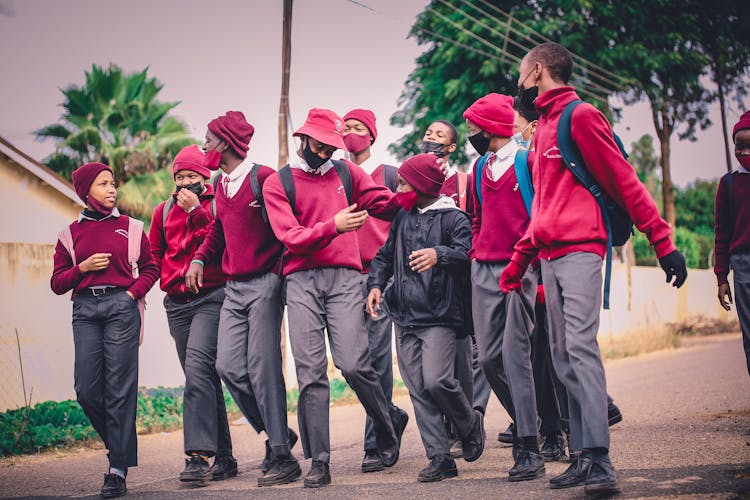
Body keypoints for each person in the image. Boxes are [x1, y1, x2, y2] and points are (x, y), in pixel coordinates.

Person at [501, 42, 687, 495]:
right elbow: (542, 210)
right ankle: (584, 456)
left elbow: (625, 181)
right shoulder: (542, 128)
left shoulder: (579, 117)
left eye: (522, 75)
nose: (519, 85)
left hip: (582, 250)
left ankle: (601, 461)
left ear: (538, 71)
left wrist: (662, 243)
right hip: (546, 256)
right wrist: (518, 262)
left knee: (580, 349)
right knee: (562, 356)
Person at [262, 108, 407, 488]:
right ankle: (319, 461)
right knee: (310, 373)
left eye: (333, 147)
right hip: (301, 282)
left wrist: (418, 195)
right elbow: (290, 236)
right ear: (304, 139)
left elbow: (384, 202)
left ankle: (386, 420)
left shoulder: (348, 173)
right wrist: (333, 226)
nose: (327, 153)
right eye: (321, 145)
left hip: (345, 278)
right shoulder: (279, 183)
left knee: (355, 364)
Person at [185, 111, 300, 487]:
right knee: (228, 366)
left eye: (209, 140)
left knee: (263, 365)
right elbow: (218, 227)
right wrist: (201, 257)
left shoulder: (263, 178)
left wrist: (277, 276)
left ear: (226, 143)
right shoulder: (219, 184)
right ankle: (277, 431)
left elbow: (285, 228)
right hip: (234, 287)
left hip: (265, 282)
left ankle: (283, 455)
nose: (204, 147)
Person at [366, 153, 485, 483]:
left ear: (420, 185)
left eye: (403, 182)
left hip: (440, 315)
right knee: (418, 388)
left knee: (437, 380)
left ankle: (469, 423)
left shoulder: (454, 218)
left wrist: (439, 254)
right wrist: (376, 285)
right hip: (404, 318)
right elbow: (384, 257)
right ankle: (440, 457)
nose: (398, 188)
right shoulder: (403, 217)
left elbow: (467, 255)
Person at [51, 162, 159, 498]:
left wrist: (130, 295)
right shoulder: (69, 235)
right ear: (86, 192)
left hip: (121, 309)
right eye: (103, 184)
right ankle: (120, 448)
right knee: (86, 389)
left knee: (119, 390)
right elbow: (57, 283)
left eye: (113, 184)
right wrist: (81, 268)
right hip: (84, 309)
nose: (112, 189)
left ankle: (117, 470)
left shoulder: (132, 227)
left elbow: (151, 268)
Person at [464, 93, 543, 481]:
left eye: (474, 128)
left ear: (493, 127)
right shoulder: (479, 168)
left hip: (521, 268)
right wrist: (478, 251)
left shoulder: (528, 162)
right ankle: (534, 421)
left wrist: (527, 263)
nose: (471, 134)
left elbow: (539, 216)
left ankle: (528, 446)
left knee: (516, 356)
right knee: (490, 359)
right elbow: (475, 216)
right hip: (484, 270)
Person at [148, 145, 235, 483]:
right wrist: (138, 291)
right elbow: (155, 255)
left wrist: (197, 210)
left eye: (192, 176)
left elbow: (219, 244)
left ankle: (197, 456)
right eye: (180, 177)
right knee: (203, 379)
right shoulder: (162, 211)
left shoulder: (215, 206)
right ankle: (226, 458)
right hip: (177, 305)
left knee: (198, 371)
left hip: (211, 297)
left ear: (205, 177)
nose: (185, 182)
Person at [341, 108, 409, 473]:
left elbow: (403, 224)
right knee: (349, 361)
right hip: (342, 278)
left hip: (380, 276)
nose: (350, 133)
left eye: (357, 128)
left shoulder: (389, 174)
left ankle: (377, 441)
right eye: (346, 128)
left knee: (378, 359)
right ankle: (391, 415)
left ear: (371, 135)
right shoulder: (337, 174)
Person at [420, 119, 490, 456]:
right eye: (429, 134)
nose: (431, 139)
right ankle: (455, 423)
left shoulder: (463, 182)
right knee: (439, 362)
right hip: (427, 283)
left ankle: (471, 418)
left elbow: (476, 221)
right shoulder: (414, 181)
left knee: (470, 354)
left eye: (439, 136)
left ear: (450, 147)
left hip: (460, 277)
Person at [715, 110, 750, 376]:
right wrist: (721, 277)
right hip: (743, 267)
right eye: (740, 146)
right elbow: (722, 233)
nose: (745, 151)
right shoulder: (728, 184)